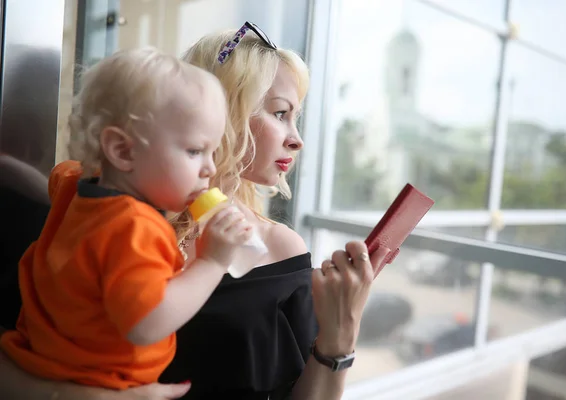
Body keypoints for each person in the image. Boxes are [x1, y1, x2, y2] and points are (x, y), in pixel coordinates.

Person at [0, 22, 390, 400]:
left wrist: (341, 338)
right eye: (280, 113)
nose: (297, 140)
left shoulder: (282, 250)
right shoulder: (100, 215)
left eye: (296, 117)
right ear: (222, 113)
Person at [0, 47, 255, 390]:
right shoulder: (136, 227)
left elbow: (57, 174)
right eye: (195, 151)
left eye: (212, 152)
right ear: (122, 151)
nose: (209, 168)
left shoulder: (76, 187)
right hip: (102, 380)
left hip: (46, 359)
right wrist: (211, 261)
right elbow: (147, 323)